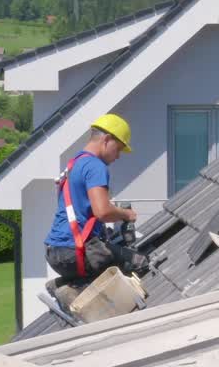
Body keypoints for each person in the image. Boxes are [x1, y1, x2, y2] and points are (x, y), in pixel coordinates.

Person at [44, 113, 148, 308]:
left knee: (110, 253)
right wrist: (127, 214)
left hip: (56, 252)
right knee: (137, 262)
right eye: (118, 149)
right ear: (107, 140)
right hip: (74, 253)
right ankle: (77, 294)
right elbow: (102, 211)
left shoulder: (76, 162)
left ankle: (66, 285)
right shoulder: (95, 166)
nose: (118, 156)